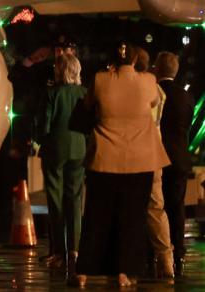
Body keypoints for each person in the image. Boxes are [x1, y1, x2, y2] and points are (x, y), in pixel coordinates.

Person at [74, 42, 170, 287]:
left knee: (97, 218)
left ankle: (83, 271)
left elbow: (87, 105)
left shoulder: (99, 79)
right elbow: (151, 103)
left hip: (104, 159)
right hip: (140, 161)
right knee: (132, 219)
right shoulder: (148, 81)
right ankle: (124, 272)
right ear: (136, 60)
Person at [35, 53, 86, 276]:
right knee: (75, 199)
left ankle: (58, 252)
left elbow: (43, 126)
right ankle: (75, 250)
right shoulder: (84, 94)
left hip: (55, 149)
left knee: (55, 200)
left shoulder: (51, 94)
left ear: (60, 70)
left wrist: (39, 139)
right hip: (79, 149)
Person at [134, 47, 174, 278]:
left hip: (135, 154)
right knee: (156, 209)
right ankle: (165, 258)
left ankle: (132, 263)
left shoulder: (136, 87)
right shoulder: (157, 89)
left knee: (130, 209)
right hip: (155, 153)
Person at [154, 51, 194, 276]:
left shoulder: (154, 93)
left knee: (155, 207)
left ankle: (158, 250)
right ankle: (178, 250)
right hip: (179, 157)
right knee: (176, 205)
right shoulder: (185, 97)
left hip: (156, 155)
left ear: (157, 69)